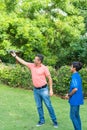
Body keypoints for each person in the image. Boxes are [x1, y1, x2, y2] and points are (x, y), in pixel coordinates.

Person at [11, 52, 58, 128]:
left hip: (44, 90)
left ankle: (55, 121)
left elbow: (50, 78)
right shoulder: (32, 66)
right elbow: (23, 62)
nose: (33, 60)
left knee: (48, 106)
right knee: (39, 106)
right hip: (36, 90)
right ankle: (41, 121)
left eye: (35, 59)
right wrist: (15, 56)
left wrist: (51, 90)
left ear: (39, 61)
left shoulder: (44, 68)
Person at [65, 62, 84, 130]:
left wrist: (69, 95)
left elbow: (75, 89)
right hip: (78, 99)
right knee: (76, 115)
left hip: (75, 99)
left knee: (72, 116)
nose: (70, 68)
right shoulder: (78, 75)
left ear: (74, 68)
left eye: (71, 66)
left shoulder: (74, 76)